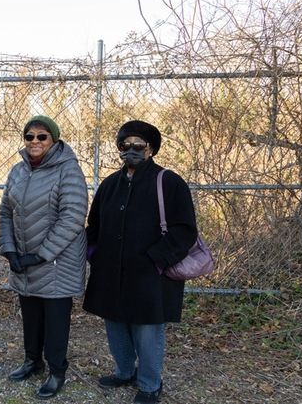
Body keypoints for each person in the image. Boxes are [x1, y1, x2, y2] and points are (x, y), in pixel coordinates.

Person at [83, 120, 198, 404]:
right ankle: (124, 372)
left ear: (151, 149)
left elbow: (185, 230)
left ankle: (149, 384)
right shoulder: (110, 184)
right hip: (110, 270)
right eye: (125, 145)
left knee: (148, 331)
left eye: (138, 145)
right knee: (115, 324)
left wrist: (155, 260)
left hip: (151, 274)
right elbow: (94, 224)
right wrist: (94, 253)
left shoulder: (169, 182)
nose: (131, 150)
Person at [0, 115, 88, 399]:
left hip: (56, 262)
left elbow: (72, 217)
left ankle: (57, 371)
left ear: (54, 140)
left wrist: (40, 255)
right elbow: (4, 213)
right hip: (23, 258)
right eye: (29, 136)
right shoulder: (18, 170)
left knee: (55, 321)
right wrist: (9, 249)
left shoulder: (68, 170)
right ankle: (32, 361)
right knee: (31, 315)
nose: (35, 141)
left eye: (42, 136)